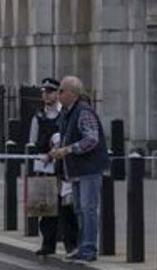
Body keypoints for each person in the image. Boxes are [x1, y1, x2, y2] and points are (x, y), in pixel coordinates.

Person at [48, 75, 108, 263]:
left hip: (88, 169)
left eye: (61, 91)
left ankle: (89, 248)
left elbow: (92, 139)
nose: (58, 94)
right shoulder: (68, 113)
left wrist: (68, 150)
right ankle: (82, 246)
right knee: (80, 210)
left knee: (88, 209)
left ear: (72, 93)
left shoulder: (83, 112)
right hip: (75, 169)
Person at [29, 77, 77, 256]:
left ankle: (71, 244)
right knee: (45, 209)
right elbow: (32, 142)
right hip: (44, 166)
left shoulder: (64, 114)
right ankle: (47, 244)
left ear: (58, 93)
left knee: (67, 207)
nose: (46, 95)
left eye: (50, 92)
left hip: (63, 166)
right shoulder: (38, 116)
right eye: (44, 92)